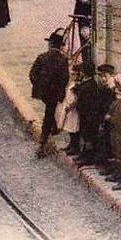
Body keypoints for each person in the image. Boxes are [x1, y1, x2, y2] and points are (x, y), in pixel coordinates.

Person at [29, 29, 70, 158]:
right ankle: (45, 138)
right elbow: (65, 78)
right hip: (55, 92)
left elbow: (32, 74)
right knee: (49, 111)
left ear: (50, 44)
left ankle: (47, 135)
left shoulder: (42, 57)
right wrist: (60, 90)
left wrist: (39, 85)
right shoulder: (63, 60)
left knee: (49, 110)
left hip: (43, 92)